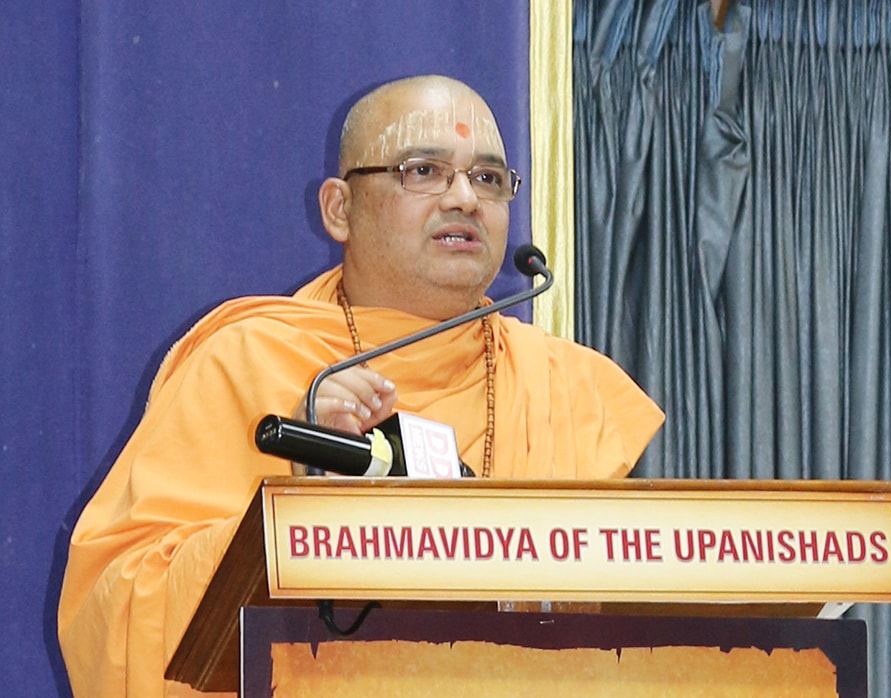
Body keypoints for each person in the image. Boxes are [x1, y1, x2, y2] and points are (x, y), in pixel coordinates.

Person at [57, 74, 664, 697]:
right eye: (423, 171)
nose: (465, 199)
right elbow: (115, 612)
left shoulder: (568, 390)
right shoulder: (245, 363)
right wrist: (299, 510)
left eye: (487, 178)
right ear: (339, 210)